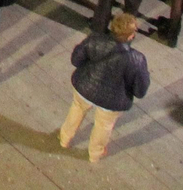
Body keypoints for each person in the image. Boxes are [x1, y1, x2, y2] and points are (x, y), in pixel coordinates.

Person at [58, 13, 151, 162]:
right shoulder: (137, 60)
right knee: (104, 125)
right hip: (112, 101)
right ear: (130, 36)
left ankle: (64, 138)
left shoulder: (95, 39)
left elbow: (76, 60)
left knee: (77, 109)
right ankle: (95, 153)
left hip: (86, 87)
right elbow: (140, 90)